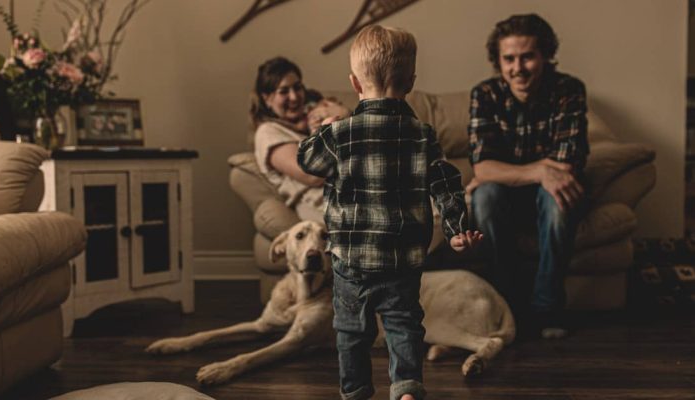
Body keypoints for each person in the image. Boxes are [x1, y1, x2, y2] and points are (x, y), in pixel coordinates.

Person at [298, 25, 481, 400]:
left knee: (351, 331)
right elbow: (446, 184)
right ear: (410, 81)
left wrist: (325, 129)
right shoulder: (422, 135)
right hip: (402, 259)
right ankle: (407, 389)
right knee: (403, 326)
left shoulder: (341, 135)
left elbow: (307, 161)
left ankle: (356, 392)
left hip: (351, 261)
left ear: (354, 83)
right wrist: (456, 230)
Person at [467, 14, 589, 339]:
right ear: (498, 61)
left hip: (550, 195)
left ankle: (547, 309)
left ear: (545, 55)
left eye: (527, 57)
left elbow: (565, 168)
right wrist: (541, 170)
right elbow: (483, 170)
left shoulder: (569, 90)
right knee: (485, 195)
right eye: (509, 59)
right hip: (504, 198)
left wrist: (509, 171)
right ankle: (507, 305)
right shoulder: (484, 95)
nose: (517, 68)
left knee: (557, 194)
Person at [251, 56, 350, 222]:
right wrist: (323, 130)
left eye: (297, 87)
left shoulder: (309, 119)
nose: (294, 97)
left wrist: (343, 113)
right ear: (267, 98)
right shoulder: (268, 132)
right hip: (326, 206)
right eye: (284, 91)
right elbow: (313, 174)